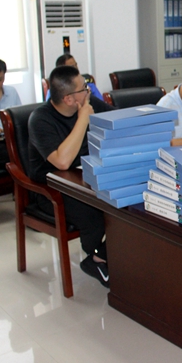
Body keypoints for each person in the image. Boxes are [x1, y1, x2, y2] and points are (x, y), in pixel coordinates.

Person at [28, 65, 115, 287]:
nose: (89, 91)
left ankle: (108, 256)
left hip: (86, 178)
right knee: (94, 213)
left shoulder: (90, 104)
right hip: (52, 190)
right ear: (69, 99)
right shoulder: (40, 119)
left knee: (127, 204)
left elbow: (119, 122)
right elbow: (62, 162)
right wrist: (83, 120)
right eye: (84, 88)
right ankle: (98, 258)